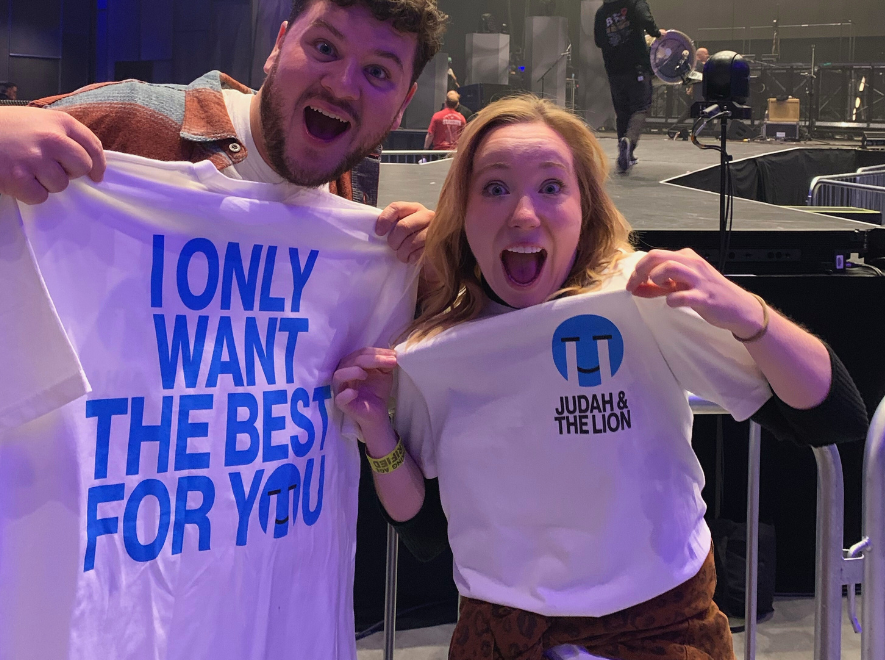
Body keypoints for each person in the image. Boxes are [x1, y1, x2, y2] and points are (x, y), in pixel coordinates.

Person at [0, 0, 446, 658]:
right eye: (324, 48)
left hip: (231, 610)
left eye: (379, 72)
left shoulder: (348, 217)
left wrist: (423, 261)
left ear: (405, 102)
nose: (343, 83)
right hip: (83, 594)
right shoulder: (128, 126)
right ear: (279, 43)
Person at [334, 95, 868, 660]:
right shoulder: (436, 346)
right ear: (460, 210)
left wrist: (745, 312)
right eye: (494, 188)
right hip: (501, 638)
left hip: (659, 631)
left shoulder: (639, 298)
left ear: (585, 206)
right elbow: (422, 531)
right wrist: (378, 431)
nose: (522, 214)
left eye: (550, 187)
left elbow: (834, 413)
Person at [593, 0, 666, 174]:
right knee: (640, 107)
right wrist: (656, 33)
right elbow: (646, 20)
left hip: (614, 69)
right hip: (636, 65)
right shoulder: (636, 0)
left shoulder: (602, 10)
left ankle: (625, 155)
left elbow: (599, 40)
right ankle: (629, 142)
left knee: (622, 111)